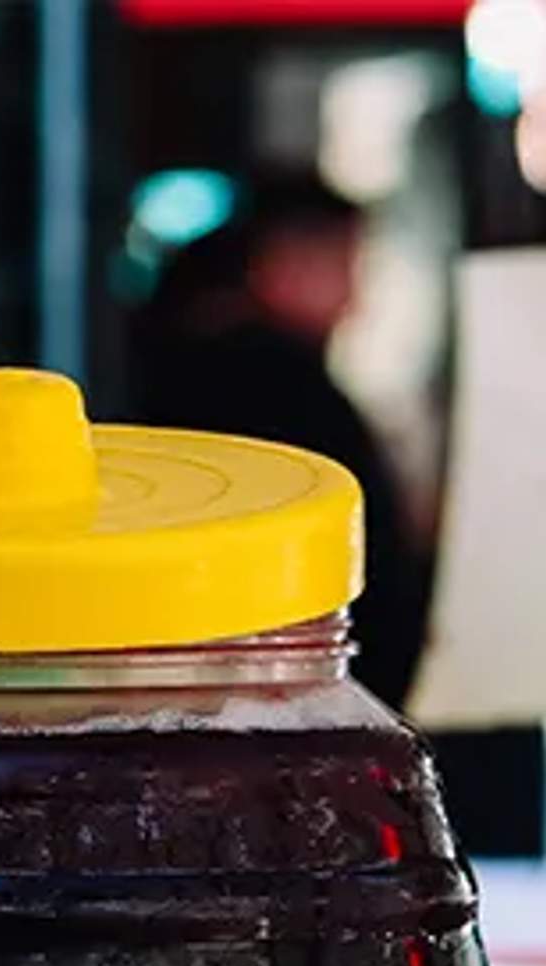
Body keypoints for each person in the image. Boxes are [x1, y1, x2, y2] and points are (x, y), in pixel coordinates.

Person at [129, 174, 430, 707]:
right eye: (344, 270)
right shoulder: (279, 390)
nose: (353, 302)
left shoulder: (190, 367)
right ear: (282, 264)